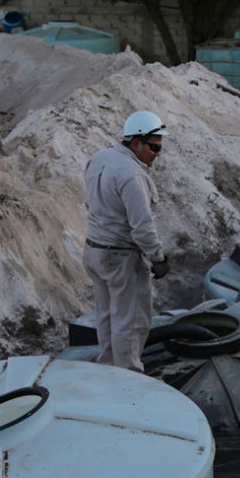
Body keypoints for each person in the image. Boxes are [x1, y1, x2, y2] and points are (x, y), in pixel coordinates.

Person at [83, 111, 171, 372]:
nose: (158, 153)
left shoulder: (98, 159)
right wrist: (158, 258)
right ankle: (129, 381)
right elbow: (142, 227)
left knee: (107, 316)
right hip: (121, 257)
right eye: (154, 147)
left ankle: (109, 370)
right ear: (136, 143)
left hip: (94, 252)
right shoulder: (133, 175)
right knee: (131, 322)